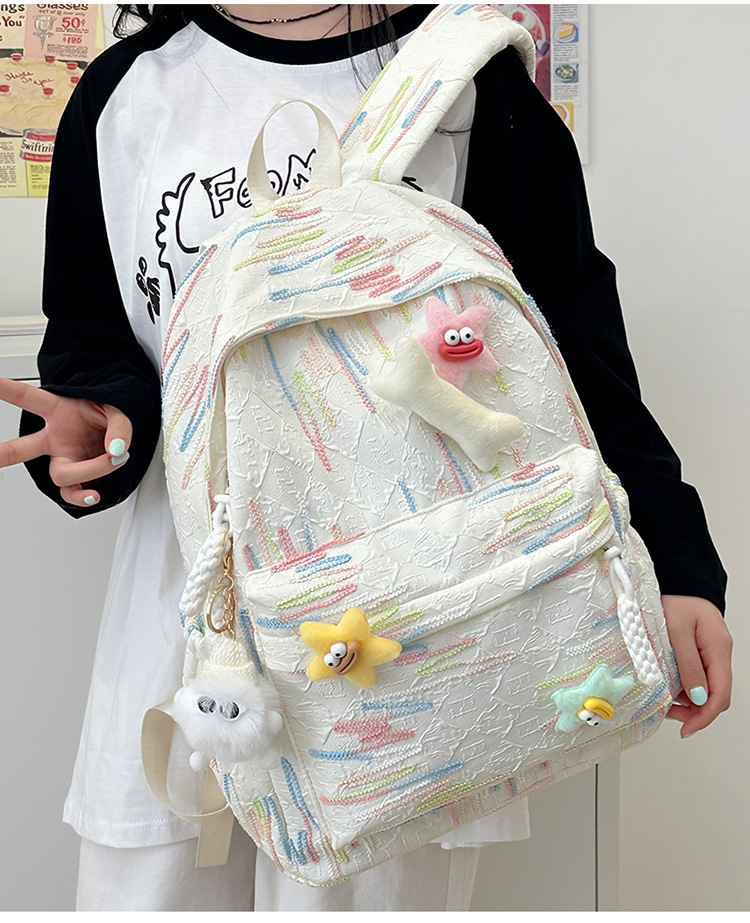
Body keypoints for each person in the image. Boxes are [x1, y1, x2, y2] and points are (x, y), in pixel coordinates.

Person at [0, 3, 732, 912]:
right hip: (188, 624)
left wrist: (678, 562)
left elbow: (575, 342)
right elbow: (98, 342)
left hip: (408, 635)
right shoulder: (125, 95)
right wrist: (100, 426)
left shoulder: (468, 77)